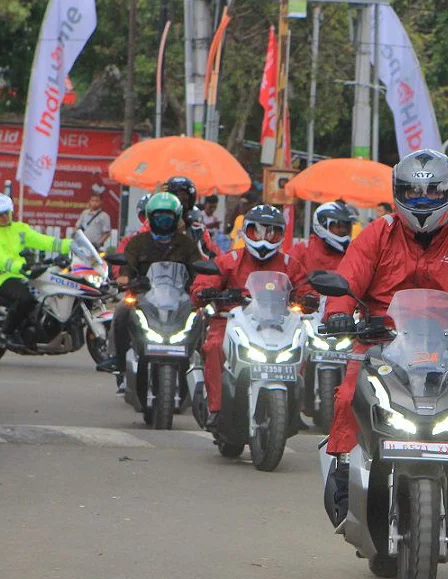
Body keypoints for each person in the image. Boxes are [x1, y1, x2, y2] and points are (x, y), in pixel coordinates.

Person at [321, 150, 448, 526]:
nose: (423, 202)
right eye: (414, 193)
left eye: (433, 193)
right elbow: (349, 278)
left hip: (447, 349)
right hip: (381, 344)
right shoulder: (378, 233)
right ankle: (344, 473)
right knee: (347, 398)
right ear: (397, 192)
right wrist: (338, 313)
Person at [190, 205, 316, 428]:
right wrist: (205, 291)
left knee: (301, 347)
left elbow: (306, 291)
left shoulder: (290, 264)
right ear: (245, 231)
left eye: (271, 232)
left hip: (277, 324)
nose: (264, 237)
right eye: (257, 231)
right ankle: (217, 409)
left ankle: (294, 410)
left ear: (281, 234)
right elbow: (202, 286)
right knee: (214, 346)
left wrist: (309, 299)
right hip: (231, 320)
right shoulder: (231, 260)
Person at [96, 193, 202, 376]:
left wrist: (202, 284)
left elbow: (198, 270)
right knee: (121, 311)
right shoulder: (138, 242)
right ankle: (118, 360)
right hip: (143, 296)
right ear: (150, 217)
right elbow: (127, 265)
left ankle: (201, 365)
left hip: (180, 299)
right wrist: (124, 277)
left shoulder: (187, 244)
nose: (163, 221)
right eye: (158, 217)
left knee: (202, 317)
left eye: (168, 217)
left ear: (176, 218)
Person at [0, 193, 71, 349]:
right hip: (1, 278)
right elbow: (1, 260)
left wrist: (70, 245)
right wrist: (18, 267)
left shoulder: (19, 229)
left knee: (45, 292)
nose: (3, 217)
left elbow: (43, 241)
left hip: (22, 273)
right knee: (25, 298)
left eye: (5, 213)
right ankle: (5, 333)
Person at [289, 201, 355, 274]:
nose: (343, 230)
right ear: (323, 224)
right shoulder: (302, 251)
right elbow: (283, 276)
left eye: (347, 226)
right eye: (339, 225)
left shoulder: (352, 254)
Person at [164, 176, 220, 259]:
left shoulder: (198, 230)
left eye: (183, 198)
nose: (178, 203)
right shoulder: (153, 225)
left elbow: (207, 257)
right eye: (174, 198)